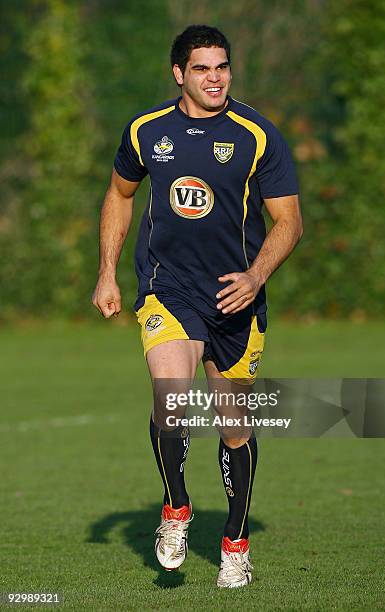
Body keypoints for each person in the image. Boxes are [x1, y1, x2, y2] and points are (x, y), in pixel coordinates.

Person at [92, 24, 302, 588]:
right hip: (169, 288)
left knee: (234, 427)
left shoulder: (256, 133)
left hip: (237, 297)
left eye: (223, 67)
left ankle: (235, 540)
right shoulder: (146, 130)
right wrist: (107, 273)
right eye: (203, 68)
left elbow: (289, 221)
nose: (216, 78)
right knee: (172, 400)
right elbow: (119, 193)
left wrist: (256, 277)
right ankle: (177, 508)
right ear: (179, 74)